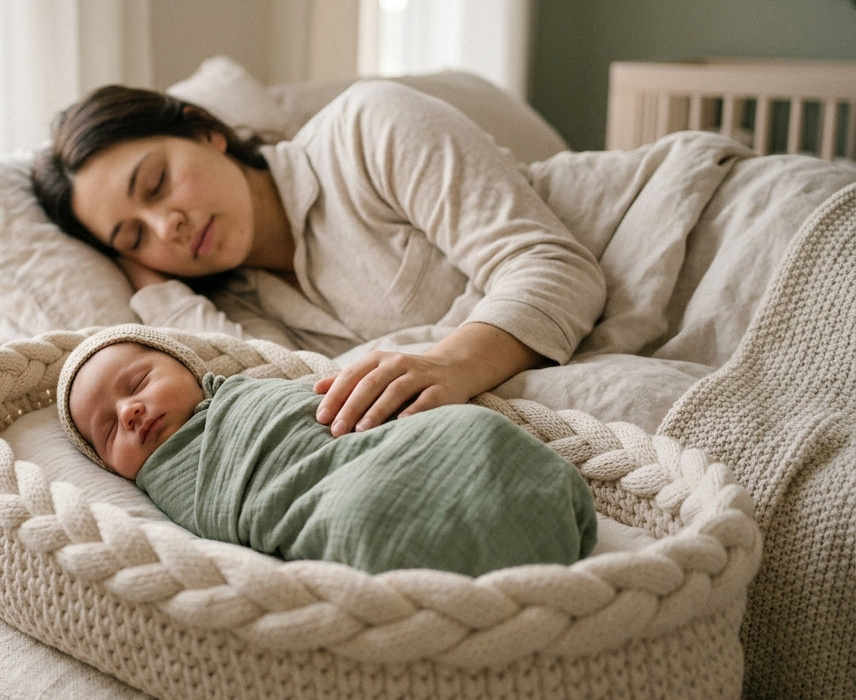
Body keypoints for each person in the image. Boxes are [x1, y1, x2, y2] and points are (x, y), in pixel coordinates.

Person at [32, 79, 608, 439]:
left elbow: (556, 268)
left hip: (647, 240)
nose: (167, 227)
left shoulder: (366, 128)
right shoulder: (242, 309)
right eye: (135, 237)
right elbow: (277, 398)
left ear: (205, 132)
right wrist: (155, 287)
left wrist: (452, 364)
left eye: (157, 183)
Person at [56, 324, 598, 577]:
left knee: (472, 432)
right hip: (350, 502)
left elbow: (339, 414)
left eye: (138, 382)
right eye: (108, 430)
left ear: (189, 369)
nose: (130, 411)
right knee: (360, 517)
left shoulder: (248, 393)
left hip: (393, 450)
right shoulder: (168, 483)